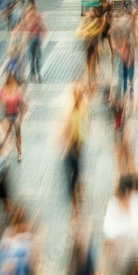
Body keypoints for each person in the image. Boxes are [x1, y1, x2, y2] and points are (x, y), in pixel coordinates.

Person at [61, 85, 87, 216]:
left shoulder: (81, 108)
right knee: (72, 175)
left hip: (78, 144)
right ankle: (74, 204)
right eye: (77, 95)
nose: (79, 97)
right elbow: (67, 128)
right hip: (70, 146)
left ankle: (79, 190)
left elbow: (82, 125)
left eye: (80, 95)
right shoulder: (70, 111)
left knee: (77, 171)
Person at [0, 73, 26, 162]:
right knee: (9, 135)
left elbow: (20, 103)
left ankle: (18, 152)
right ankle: (14, 153)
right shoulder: (7, 89)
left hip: (13, 115)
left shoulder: (14, 90)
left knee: (15, 134)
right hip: (10, 115)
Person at [17, 3, 46, 82]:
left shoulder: (36, 18)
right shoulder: (28, 19)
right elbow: (21, 29)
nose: (30, 12)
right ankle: (34, 74)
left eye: (31, 10)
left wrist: (42, 37)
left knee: (37, 58)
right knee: (33, 58)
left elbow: (44, 29)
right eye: (29, 10)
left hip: (36, 39)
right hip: (31, 39)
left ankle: (37, 74)